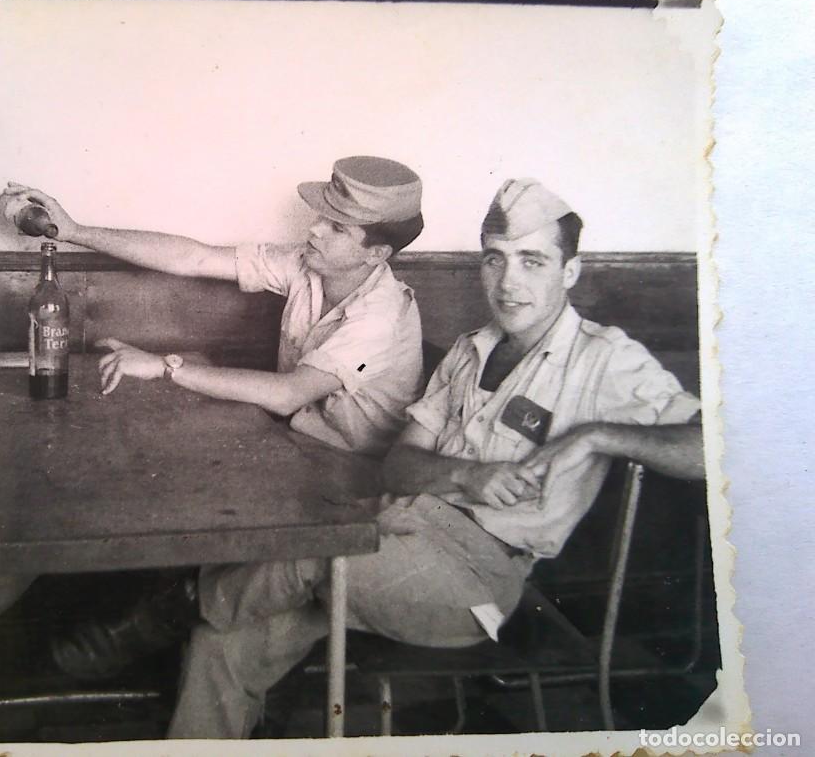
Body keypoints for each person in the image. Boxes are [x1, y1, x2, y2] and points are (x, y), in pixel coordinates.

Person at [167, 178, 706, 739]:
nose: (509, 282)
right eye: (495, 260)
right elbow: (399, 466)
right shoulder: (472, 350)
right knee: (222, 642)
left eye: (532, 262)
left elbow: (715, 447)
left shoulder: (604, 360)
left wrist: (596, 435)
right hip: (397, 526)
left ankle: (168, 609)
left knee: (314, 556)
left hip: (479, 579)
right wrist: (465, 474)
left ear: (569, 272)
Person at [2, 155, 428, 677]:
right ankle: (117, 622)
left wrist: (165, 367)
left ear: (376, 253)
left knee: (177, 479)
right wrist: (75, 230)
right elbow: (194, 258)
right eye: (321, 217)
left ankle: (133, 629)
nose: (313, 230)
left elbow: (289, 395)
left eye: (336, 227)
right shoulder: (310, 265)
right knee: (162, 465)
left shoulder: (382, 317)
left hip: (349, 482)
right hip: (292, 451)